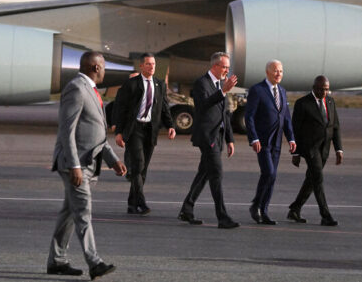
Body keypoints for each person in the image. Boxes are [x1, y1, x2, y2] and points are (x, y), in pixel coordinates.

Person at [47, 51, 127, 280]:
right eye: (103, 66)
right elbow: (67, 130)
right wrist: (74, 166)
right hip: (76, 165)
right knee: (83, 211)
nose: (105, 70)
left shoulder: (91, 90)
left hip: (88, 162)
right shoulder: (76, 89)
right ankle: (95, 262)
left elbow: (97, 133)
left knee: (69, 214)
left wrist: (114, 160)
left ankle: (57, 261)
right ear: (95, 67)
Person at [178, 52, 240, 229]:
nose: (227, 71)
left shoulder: (220, 85)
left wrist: (230, 139)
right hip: (207, 137)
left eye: (228, 68)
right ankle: (222, 217)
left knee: (204, 173)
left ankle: (186, 209)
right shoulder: (201, 83)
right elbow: (203, 105)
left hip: (218, 136)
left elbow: (224, 114)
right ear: (215, 66)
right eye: (224, 67)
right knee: (216, 174)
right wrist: (223, 91)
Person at [114, 53, 175, 215]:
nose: (152, 67)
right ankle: (141, 202)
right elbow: (121, 108)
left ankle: (132, 204)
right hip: (135, 130)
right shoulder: (132, 84)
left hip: (150, 130)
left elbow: (164, 107)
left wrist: (170, 125)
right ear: (141, 66)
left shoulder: (159, 85)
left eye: (153, 64)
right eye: (148, 64)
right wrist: (119, 131)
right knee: (138, 164)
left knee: (143, 169)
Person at [245, 60, 296, 225]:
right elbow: (249, 116)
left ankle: (264, 211)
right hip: (263, 141)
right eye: (276, 71)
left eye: (281, 71)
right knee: (269, 173)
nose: (279, 74)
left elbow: (286, 117)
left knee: (272, 177)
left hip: (277, 142)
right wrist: (253, 138)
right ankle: (255, 206)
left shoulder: (282, 90)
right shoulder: (257, 90)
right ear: (268, 72)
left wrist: (291, 138)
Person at [288, 75, 343, 226]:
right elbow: (296, 129)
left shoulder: (330, 102)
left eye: (326, 89)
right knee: (318, 178)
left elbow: (335, 127)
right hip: (310, 149)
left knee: (311, 179)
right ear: (314, 88)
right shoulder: (303, 103)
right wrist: (296, 153)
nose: (324, 92)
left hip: (324, 148)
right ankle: (325, 215)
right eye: (321, 89)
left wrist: (339, 149)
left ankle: (295, 209)